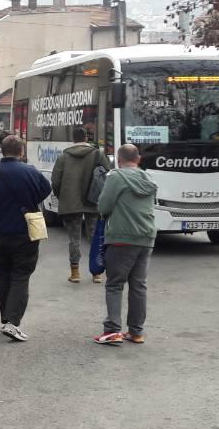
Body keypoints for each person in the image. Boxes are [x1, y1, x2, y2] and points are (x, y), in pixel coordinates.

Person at [0, 136, 53, 342]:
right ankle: (13, 323)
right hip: (25, 232)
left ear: (2, 151)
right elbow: (46, 189)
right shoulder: (31, 172)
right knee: (21, 275)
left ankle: (6, 318)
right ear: (21, 152)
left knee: (3, 275)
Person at [94, 144, 159, 345]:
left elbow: (103, 206)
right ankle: (136, 331)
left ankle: (113, 330)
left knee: (114, 284)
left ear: (118, 159)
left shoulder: (116, 177)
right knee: (138, 285)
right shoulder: (149, 178)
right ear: (138, 159)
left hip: (122, 237)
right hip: (146, 237)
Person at [51, 127, 113, 284]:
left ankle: (75, 272)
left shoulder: (63, 156)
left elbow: (55, 181)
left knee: (74, 238)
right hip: (93, 201)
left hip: (71, 203)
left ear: (73, 138)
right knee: (94, 237)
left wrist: (63, 196)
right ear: (86, 138)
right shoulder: (97, 154)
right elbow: (108, 175)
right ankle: (97, 273)